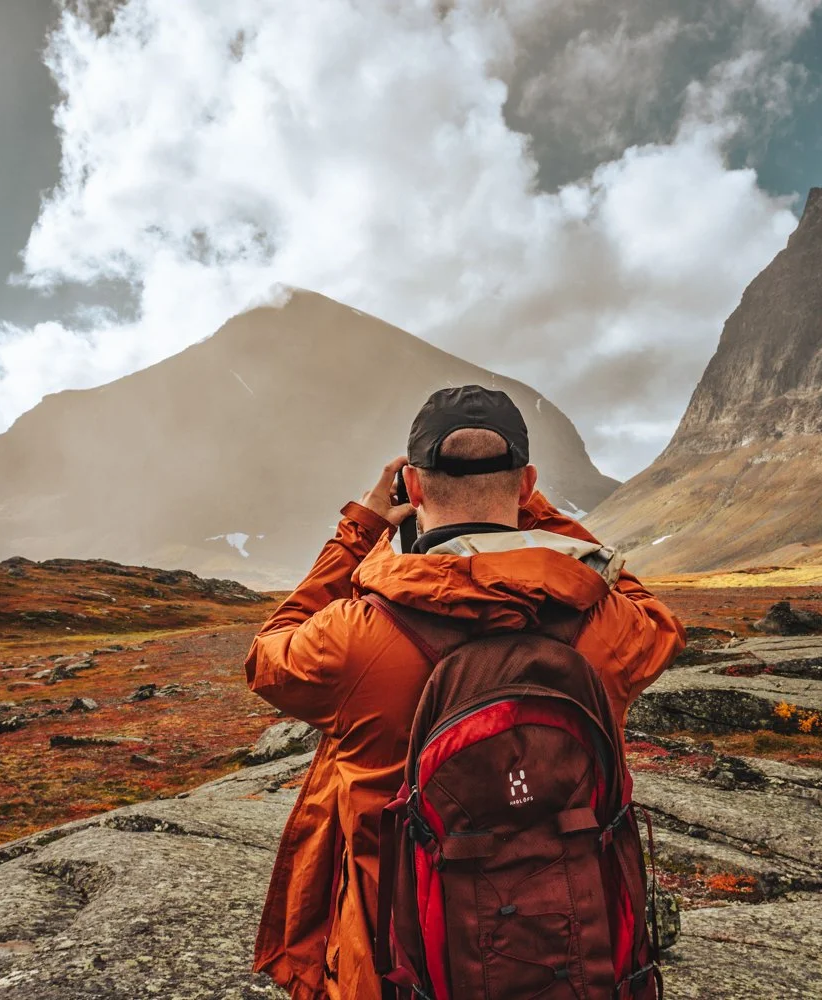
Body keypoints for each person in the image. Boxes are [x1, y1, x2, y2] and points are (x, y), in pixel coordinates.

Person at [245, 385, 685, 1000]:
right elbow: (657, 617)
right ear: (527, 484)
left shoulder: (357, 636)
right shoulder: (604, 623)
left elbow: (269, 655)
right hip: (572, 956)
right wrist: (538, 514)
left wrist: (361, 528)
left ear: (414, 489)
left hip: (393, 967)